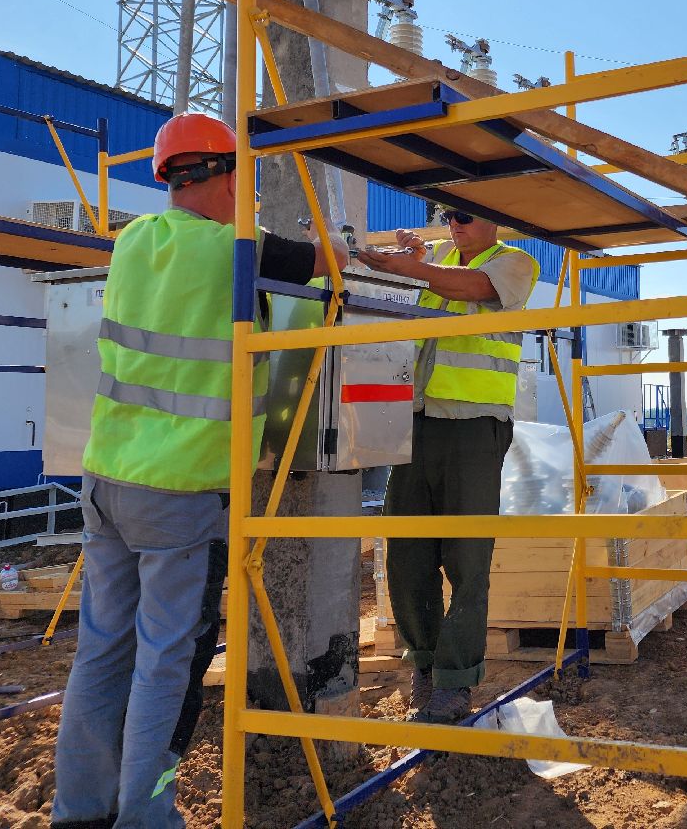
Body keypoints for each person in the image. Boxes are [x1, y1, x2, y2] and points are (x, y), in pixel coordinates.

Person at [52, 114, 347, 829]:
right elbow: (327, 260)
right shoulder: (237, 250)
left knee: (102, 651)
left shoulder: (133, 241)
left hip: (108, 478)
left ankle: (80, 812)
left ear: (169, 177)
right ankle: (145, 820)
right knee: (167, 663)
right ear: (228, 176)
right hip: (182, 491)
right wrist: (343, 240)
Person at [358, 208, 539, 723]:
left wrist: (411, 266)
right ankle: (425, 662)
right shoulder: (434, 259)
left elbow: (469, 287)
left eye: (464, 216)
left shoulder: (513, 263)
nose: (454, 224)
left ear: (494, 221)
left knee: (467, 559)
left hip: (474, 426)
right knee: (406, 553)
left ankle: (455, 681)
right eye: (448, 216)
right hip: (416, 421)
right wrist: (410, 262)